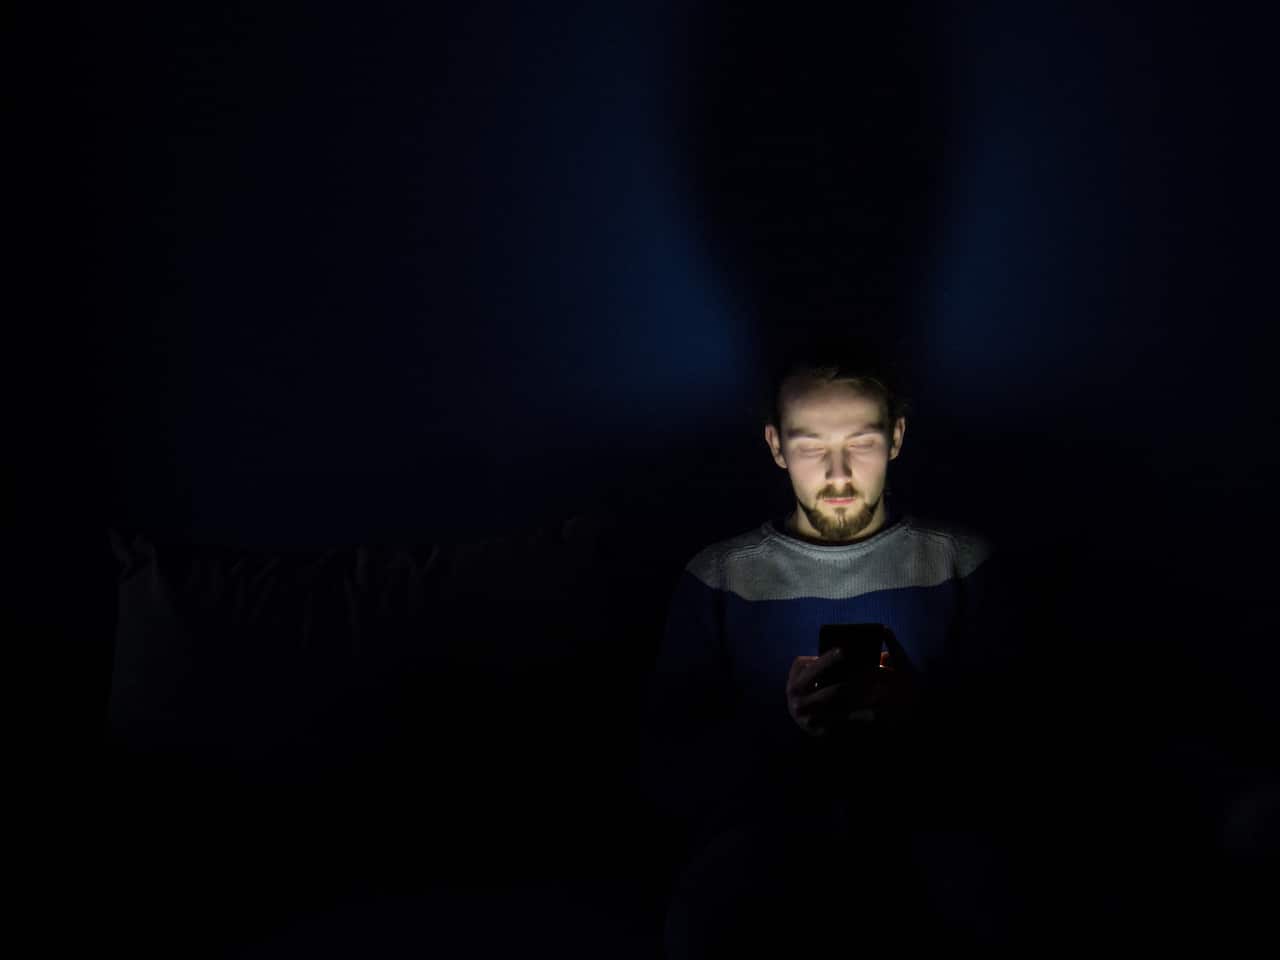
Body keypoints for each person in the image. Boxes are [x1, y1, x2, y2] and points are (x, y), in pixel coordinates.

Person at [633, 333, 1033, 956]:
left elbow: (1030, 743)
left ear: (896, 438)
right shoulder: (720, 576)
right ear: (775, 446)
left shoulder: (960, 562)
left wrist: (917, 713)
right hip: (764, 834)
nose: (838, 474)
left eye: (862, 444)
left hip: (929, 824)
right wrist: (783, 728)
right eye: (811, 446)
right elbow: (663, 761)